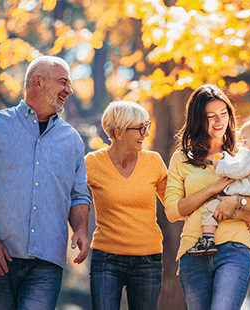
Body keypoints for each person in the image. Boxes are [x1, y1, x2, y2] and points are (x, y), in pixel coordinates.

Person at [0, 56, 91, 310]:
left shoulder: (72, 140)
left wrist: (81, 230)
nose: (69, 90)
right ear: (38, 82)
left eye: (70, 84)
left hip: (47, 262)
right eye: (63, 82)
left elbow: (79, 195)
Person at [165, 84, 250, 310]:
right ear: (198, 120)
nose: (219, 121)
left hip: (234, 249)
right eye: (210, 116)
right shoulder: (181, 159)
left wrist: (238, 202)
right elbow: (172, 211)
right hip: (193, 251)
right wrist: (212, 189)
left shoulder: (245, 154)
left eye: (223, 114)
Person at [85, 100, 167, 310]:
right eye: (140, 128)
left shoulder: (154, 161)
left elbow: (175, 205)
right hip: (106, 258)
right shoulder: (92, 163)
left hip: (148, 260)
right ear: (119, 133)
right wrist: (77, 231)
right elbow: (75, 200)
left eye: (146, 126)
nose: (145, 133)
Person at [187, 115, 250, 256]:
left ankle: (207, 241)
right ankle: (248, 225)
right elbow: (239, 163)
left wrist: (220, 165)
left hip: (244, 191)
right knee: (246, 216)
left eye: (245, 141)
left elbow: (237, 170)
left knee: (208, 209)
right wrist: (227, 158)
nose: (242, 144)